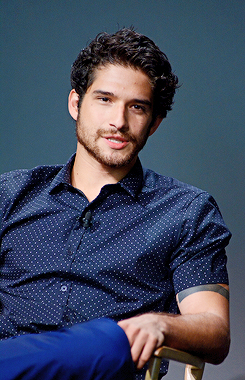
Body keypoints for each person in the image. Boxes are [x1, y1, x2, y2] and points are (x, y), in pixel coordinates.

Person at [0, 27, 231, 380]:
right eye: (104, 99)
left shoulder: (186, 211)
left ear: (153, 123)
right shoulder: (11, 194)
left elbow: (215, 330)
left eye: (136, 107)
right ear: (76, 104)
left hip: (103, 366)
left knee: (112, 338)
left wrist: (158, 324)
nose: (118, 122)